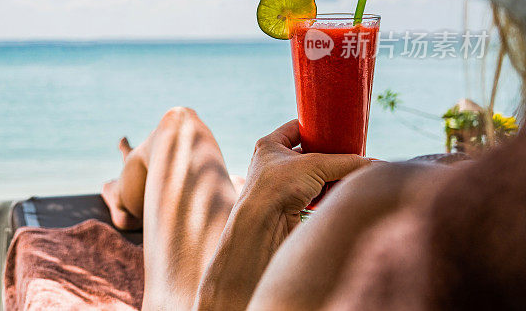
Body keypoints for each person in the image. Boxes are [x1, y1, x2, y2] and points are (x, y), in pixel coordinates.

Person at [102, 106, 526, 310]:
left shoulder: (388, 198)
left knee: (180, 127)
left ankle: (122, 194)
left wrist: (255, 212)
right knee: (219, 175)